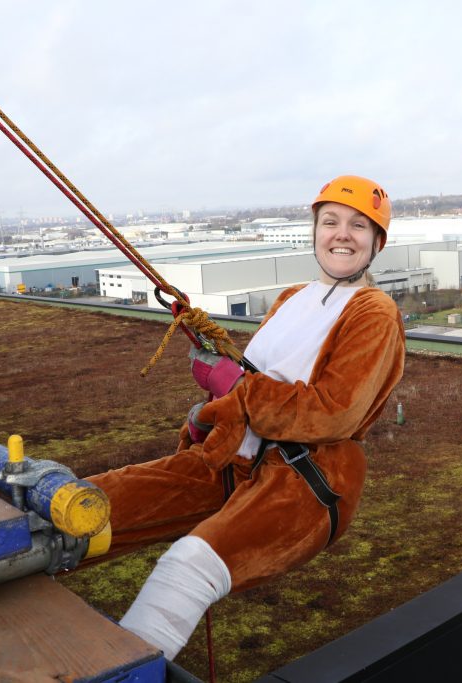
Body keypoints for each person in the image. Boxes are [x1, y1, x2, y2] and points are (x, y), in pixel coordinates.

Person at [85, 175, 406, 659]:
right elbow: (261, 380)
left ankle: (120, 673)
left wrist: (236, 387)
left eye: (359, 226)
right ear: (315, 231)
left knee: (186, 569)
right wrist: (208, 419)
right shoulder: (291, 299)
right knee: (92, 502)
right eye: (331, 222)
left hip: (305, 479)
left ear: (376, 242)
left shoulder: (373, 311)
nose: (342, 234)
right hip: (235, 460)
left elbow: (332, 412)